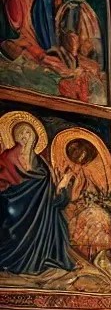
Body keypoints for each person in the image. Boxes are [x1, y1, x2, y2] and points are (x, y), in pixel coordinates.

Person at [0, 116, 73, 274]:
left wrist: (62, 186)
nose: (25, 136)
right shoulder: (7, 158)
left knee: (59, 220)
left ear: (35, 137)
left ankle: (41, 258)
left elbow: (54, 197)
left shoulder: (42, 163)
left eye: (28, 132)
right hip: (13, 211)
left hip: (40, 216)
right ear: (14, 137)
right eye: (20, 133)